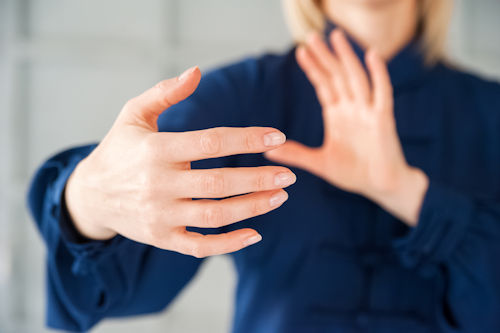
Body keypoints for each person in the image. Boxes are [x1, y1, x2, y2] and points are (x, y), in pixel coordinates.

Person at [28, 0, 500, 331]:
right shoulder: (240, 97)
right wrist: (86, 200)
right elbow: (121, 282)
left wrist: (406, 192)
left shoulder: (491, 113)